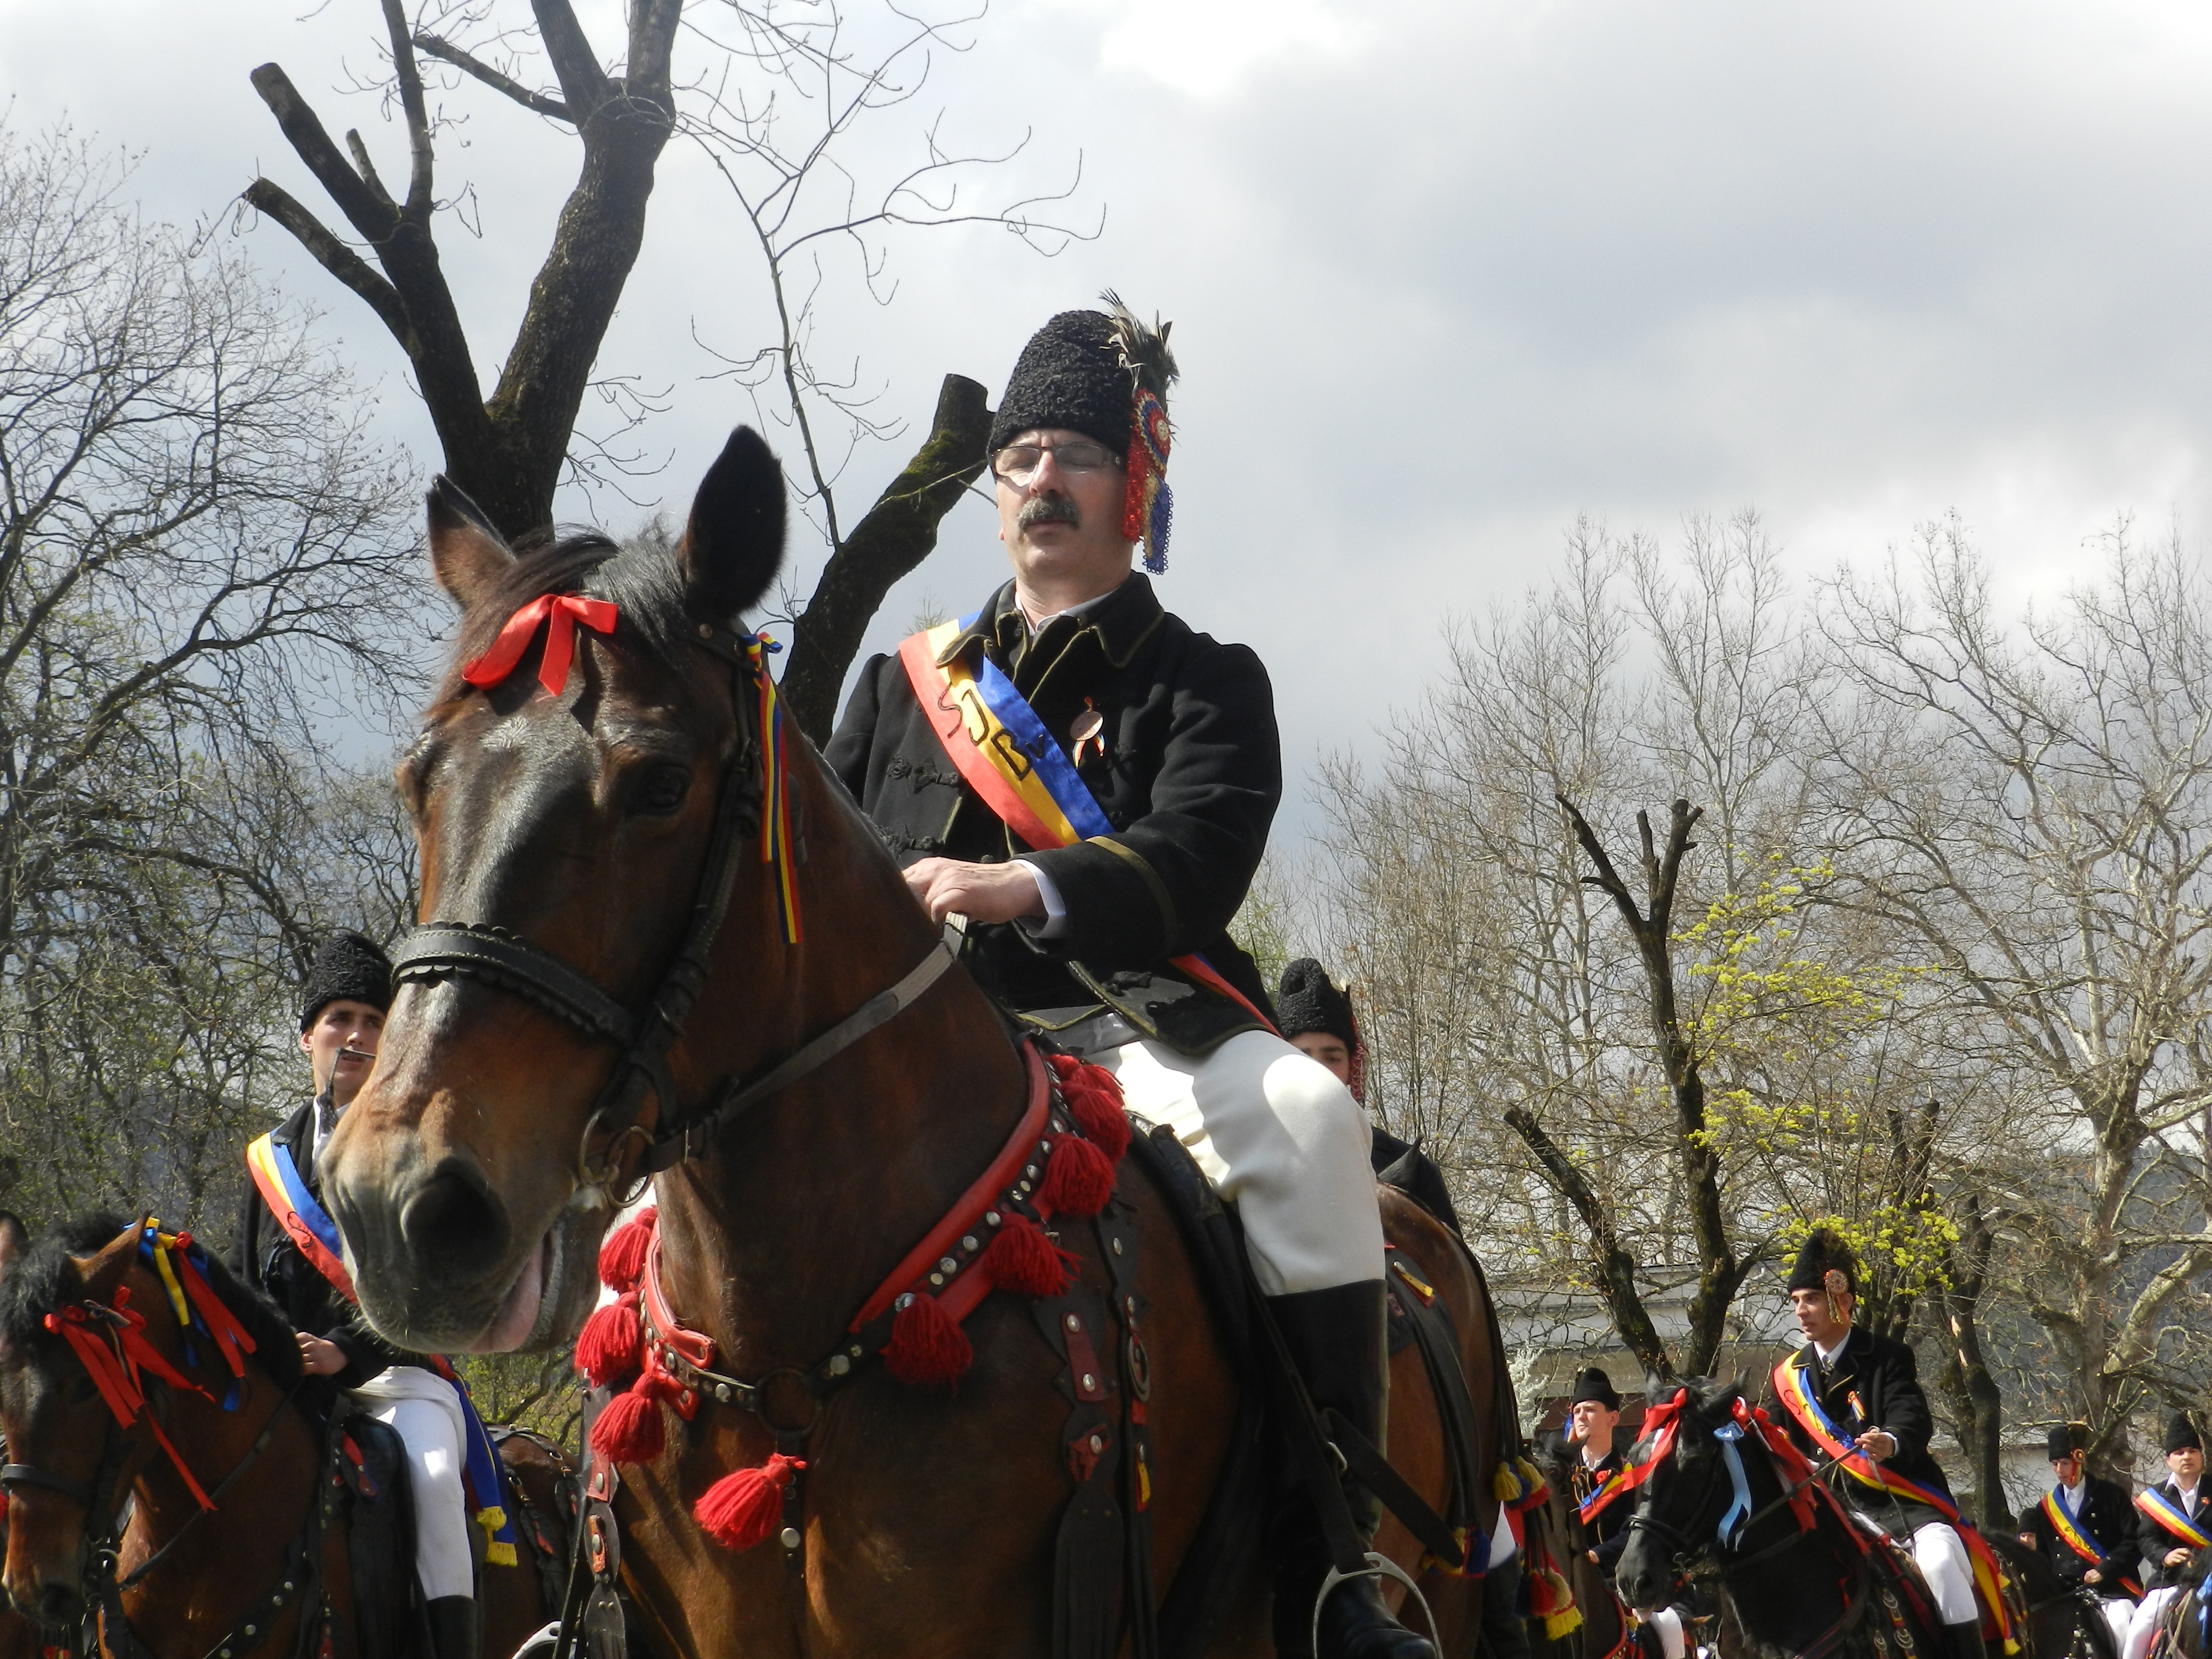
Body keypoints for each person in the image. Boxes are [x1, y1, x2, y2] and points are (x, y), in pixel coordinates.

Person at [826, 300, 1423, 1659]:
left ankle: (1329, 1571)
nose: (1042, 478)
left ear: (1132, 481)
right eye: (1019, 456)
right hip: (915, 1042)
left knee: (1310, 1119)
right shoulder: (895, 691)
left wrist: (1020, 885)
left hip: (1122, 1020)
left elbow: (1196, 858)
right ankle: (616, 1567)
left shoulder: (1202, 680)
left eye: (1075, 454)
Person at [235, 933, 484, 1659]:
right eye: (340, 1018)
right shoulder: (267, 1161)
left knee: (434, 1483)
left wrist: (343, 1351)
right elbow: (246, 1281)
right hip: (284, 1382)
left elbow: (432, 1289)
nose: (356, 1035)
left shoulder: (425, 1150)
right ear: (307, 1036)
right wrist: (277, 1351)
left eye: (374, 1022)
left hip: (396, 1378)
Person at [1767, 1230, 1990, 1659]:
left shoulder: (1887, 1356)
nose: (1800, 1311)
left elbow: (1912, 1416)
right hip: (1828, 1514)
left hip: (1899, 1503)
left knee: (1942, 1566)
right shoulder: (1787, 1378)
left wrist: (1889, 1441)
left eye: (1811, 1299)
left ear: (1843, 1301)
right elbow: (1777, 1444)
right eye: (1795, 1301)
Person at [1275, 959, 1461, 1235]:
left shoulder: (1412, 1171)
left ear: (1352, 1067)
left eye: (1332, 1058)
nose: (1318, 1072)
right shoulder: (1247, 1157)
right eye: (1302, 1057)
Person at [1562, 1368, 1687, 1659]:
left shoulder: (1633, 1474)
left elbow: (1635, 1530)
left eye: (1590, 1410)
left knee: (1669, 1623)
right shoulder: (1561, 1476)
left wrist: (1597, 1555)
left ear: (1613, 1418)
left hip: (1616, 1580)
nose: (1581, 1417)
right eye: (1577, 1411)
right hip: (1565, 1581)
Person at [2017, 1422, 2137, 1653]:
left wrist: (2104, 1570)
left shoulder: (2111, 1496)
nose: (2060, 1470)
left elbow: (2133, 1541)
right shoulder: (2046, 1508)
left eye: (2065, 1463)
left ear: (2079, 1460)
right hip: (2066, 1593)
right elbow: (2044, 1557)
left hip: (2110, 1589)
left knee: (2122, 1625)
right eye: (2055, 1464)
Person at [2121, 1413, 2209, 1659]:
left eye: (2192, 1451)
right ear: (2168, 1460)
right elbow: (2146, 1538)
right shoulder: (2156, 1498)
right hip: (2171, 1580)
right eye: (2179, 1452)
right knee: (2142, 1624)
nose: (2187, 1457)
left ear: (2201, 1456)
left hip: (2210, 1579)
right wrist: (2165, 1556)